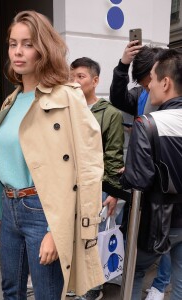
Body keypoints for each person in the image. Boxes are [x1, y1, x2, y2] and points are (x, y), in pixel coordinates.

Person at [0, 10, 105, 300]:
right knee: (11, 290)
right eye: (12, 43)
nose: (18, 52)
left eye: (28, 44)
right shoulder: (11, 100)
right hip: (9, 209)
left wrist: (56, 230)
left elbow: (87, 168)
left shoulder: (67, 97)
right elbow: (1, 164)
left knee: (48, 294)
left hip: (43, 211)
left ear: (43, 49)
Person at [109, 42, 170, 300]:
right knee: (143, 233)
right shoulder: (142, 94)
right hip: (144, 184)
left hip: (167, 187)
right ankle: (134, 271)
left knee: (168, 237)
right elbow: (118, 97)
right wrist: (123, 66)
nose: (147, 86)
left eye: (148, 80)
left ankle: (160, 283)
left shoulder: (173, 104)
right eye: (144, 81)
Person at [120, 48, 182, 300]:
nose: (148, 88)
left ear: (165, 82)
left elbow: (138, 180)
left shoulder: (147, 124)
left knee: (134, 273)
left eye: (151, 81)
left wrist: (128, 172)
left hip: (156, 221)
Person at [70, 57, 124, 300]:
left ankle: (94, 288)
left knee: (94, 236)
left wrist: (113, 193)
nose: (74, 81)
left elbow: (114, 155)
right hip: (71, 186)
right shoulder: (69, 109)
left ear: (95, 80)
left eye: (80, 77)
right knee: (74, 235)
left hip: (98, 186)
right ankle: (78, 281)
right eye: (72, 77)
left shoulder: (110, 113)